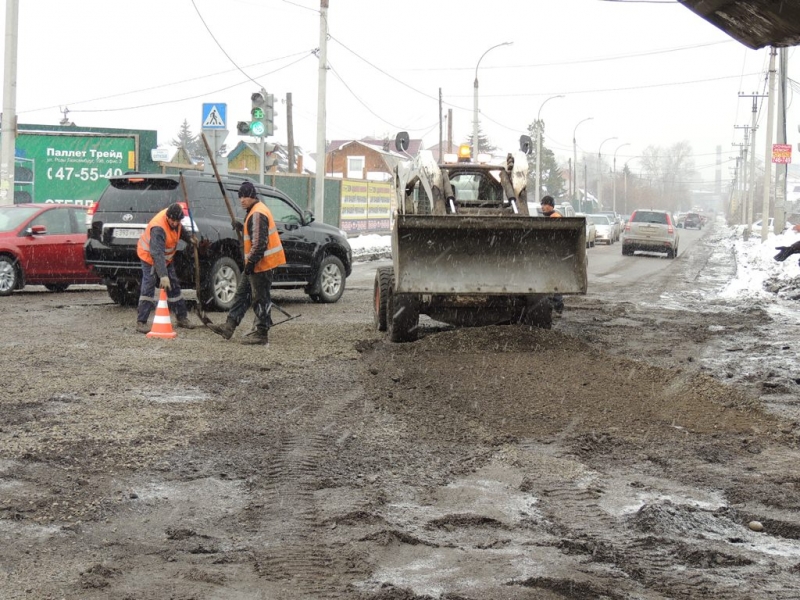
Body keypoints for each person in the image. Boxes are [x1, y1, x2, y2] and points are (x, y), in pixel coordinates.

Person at [208, 181, 286, 346]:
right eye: (241, 196)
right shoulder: (254, 211)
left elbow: (259, 243)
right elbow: (254, 234)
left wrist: (250, 264)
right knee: (242, 295)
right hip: (256, 264)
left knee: (260, 298)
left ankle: (261, 333)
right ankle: (229, 326)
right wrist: (242, 227)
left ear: (253, 196)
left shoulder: (257, 213)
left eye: (246, 196)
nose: (242, 199)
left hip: (261, 264)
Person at [135, 203, 197, 333]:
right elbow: (157, 254)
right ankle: (141, 321)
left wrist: (189, 239)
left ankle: (181, 317)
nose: (175, 223)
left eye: (177, 221)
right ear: (168, 217)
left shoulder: (176, 220)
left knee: (174, 285)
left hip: (166, 259)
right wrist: (163, 275)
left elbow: (180, 231)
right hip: (149, 258)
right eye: (173, 220)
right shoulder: (158, 228)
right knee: (149, 285)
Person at [541, 195, 565, 315]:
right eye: (542, 204)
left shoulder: (555, 218)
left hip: (554, 255)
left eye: (545, 204)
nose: (543, 207)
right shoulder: (549, 217)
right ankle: (556, 305)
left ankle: (557, 305)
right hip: (551, 254)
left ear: (551, 205)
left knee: (554, 280)